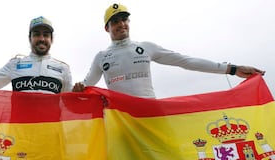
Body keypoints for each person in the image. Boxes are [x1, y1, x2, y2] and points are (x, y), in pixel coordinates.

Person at [72, 3, 265, 98]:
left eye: (124, 19)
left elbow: (185, 61)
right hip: (120, 120)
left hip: (152, 115)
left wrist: (232, 69)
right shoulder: (101, 57)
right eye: (115, 21)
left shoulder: (145, 47)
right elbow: (85, 86)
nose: (121, 24)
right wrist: (77, 90)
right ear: (107, 28)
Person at [0, 16, 72, 94]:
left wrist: (81, 92)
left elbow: (70, 103)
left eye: (46, 35)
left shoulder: (63, 69)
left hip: (51, 131)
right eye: (36, 34)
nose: (41, 39)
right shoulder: (15, 64)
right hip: (18, 131)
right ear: (30, 38)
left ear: (52, 39)